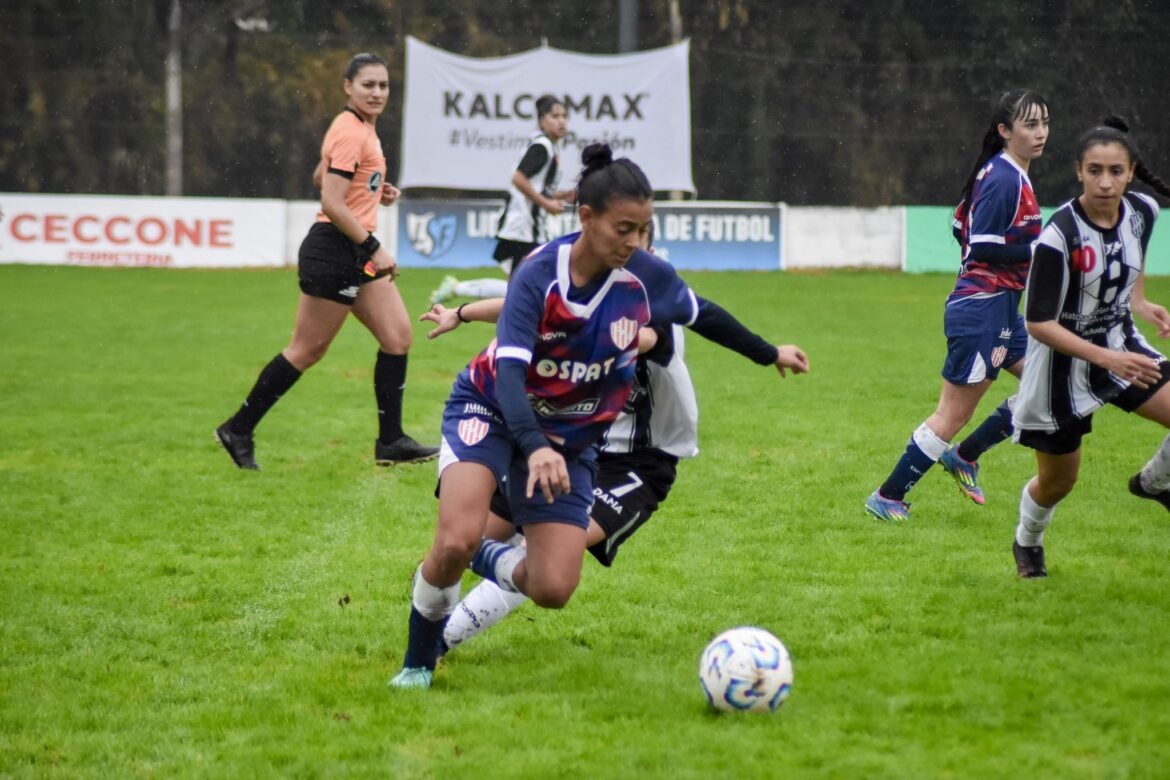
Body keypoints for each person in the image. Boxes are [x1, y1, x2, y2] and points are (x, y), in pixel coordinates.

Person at [389, 144, 808, 689]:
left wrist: (769, 352)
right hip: (491, 407)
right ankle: (417, 665)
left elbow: (703, 315)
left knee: (552, 588)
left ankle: (474, 553)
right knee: (453, 541)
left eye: (644, 229)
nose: (634, 241)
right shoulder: (540, 274)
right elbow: (510, 376)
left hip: (570, 439)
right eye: (623, 229)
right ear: (586, 218)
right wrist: (534, 445)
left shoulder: (647, 278)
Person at [215, 53, 438, 470]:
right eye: (368, 84)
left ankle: (391, 442)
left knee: (397, 337)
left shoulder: (356, 127)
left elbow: (323, 175)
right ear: (348, 86)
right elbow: (331, 202)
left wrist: (375, 190)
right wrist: (375, 247)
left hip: (352, 248)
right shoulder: (352, 131)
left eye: (383, 85)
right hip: (334, 250)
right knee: (306, 350)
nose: (377, 92)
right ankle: (238, 429)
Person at [865, 90, 1050, 521]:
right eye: (1030, 124)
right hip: (983, 308)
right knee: (952, 414)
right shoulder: (1003, 177)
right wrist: (1039, 251)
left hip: (1000, 307)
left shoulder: (1007, 173)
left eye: (1044, 123)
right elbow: (982, 244)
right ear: (1005, 131)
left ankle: (965, 456)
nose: (1041, 132)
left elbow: (959, 225)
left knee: (1048, 383)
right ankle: (888, 497)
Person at [1009, 118, 1170, 577]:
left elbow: (1132, 258)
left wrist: (1140, 301)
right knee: (1059, 482)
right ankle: (1028, 540)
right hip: (1059, 370)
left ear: (1131, 172)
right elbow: (1037, 323)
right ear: (1079, 171)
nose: (1105, 182)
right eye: (1094, 170)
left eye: (1116, 171)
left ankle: (1154, 483)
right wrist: (1105, 357)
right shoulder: (1058, 236)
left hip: (1121, 347)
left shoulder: (1143, 212)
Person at [429, 95, 574, 305]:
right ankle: (458, 289)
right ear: (542, 120)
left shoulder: (548, 146)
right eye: (555, 116)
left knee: (525, 288)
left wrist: (561, 195)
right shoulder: (542, 147)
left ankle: (457, 289)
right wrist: (546, 204)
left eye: (564, 116)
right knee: (526, 288)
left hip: (529, 227)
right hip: (523, 228)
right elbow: (518, 178)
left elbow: (536, 186)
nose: (562, 121)